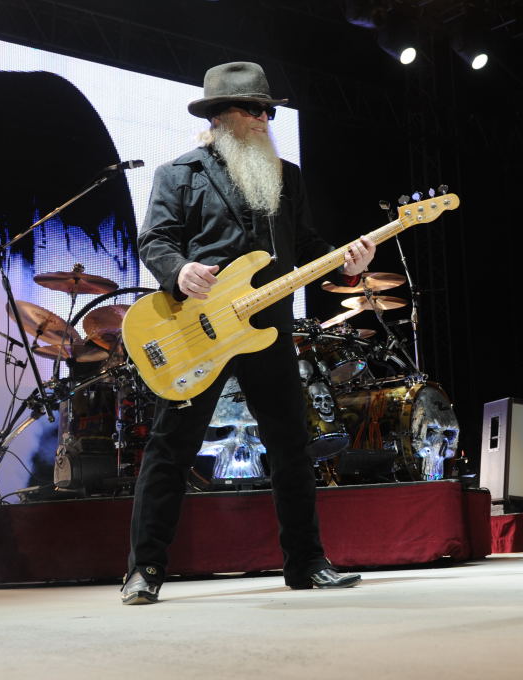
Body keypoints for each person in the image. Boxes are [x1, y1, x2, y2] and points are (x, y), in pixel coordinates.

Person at [122, 62, 376, 604]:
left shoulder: (287, 176)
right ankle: (145, 568)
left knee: (291, 446)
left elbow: (306, 248)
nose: (265, 118)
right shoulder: (178, 174)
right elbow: (154, 241)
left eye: (268, 110)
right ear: (219, 116)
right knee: (171, 446)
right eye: (253, 108)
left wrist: (348, 265)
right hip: (201, 328)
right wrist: (180, 271)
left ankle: (307, 563)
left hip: (268, 328)